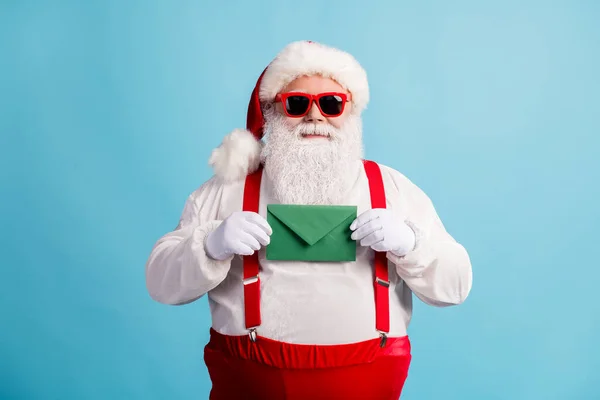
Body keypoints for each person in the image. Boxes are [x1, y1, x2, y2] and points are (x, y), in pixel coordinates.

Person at [145, 40, 473, 399]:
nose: (314, 116)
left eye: (331, 104)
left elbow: (455, 287)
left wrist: (411, 244)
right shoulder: (226, 190)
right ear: (271, 111)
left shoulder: (392, 189)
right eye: (297, 104)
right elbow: (160, 284)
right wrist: (210, 245)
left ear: (351, 112)